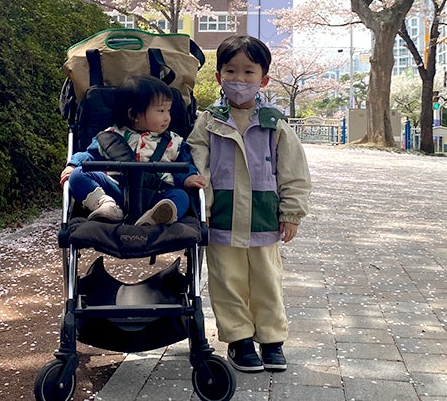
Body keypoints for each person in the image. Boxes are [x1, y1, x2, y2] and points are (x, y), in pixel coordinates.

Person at [187, 35, 311, 373]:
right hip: (221, 218)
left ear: (263, 79)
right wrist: (203, 209)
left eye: (248, 72)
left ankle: (271, 339)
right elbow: (198, 168)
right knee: (227, 281)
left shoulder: (274, 123)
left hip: (263, 218)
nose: (239, 79)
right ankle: (239, 339)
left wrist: (291, 213)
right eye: (231, 71)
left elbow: (294, 172)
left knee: (267, 281)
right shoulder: (208, 121)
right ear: (218, 77)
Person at [60, 75, 205, 225]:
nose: (167, 117)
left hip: (155, 194)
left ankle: (155, 217)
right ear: (133, 114)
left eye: (168, 111)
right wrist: (73, 164)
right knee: (78, 175)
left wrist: (188, 177)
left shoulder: (174, 142)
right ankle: (106, 205)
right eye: (161, 111)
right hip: (116, 190)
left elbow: (185, 164)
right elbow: (89, 156)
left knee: (181, 196)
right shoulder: (111, 136)